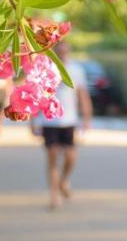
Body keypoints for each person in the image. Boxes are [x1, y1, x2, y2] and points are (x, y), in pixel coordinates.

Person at [31, 40, 92, 209]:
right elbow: (36, 95)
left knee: (71, 156)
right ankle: (54, 196)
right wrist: (33, 120)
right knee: (52, 157)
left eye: (65, 51)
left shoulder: (76, 70)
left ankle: (63, 180)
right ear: (55, 52)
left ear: (69, 51)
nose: (63, 54)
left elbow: (82, 95)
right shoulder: (45, 69)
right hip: (49, 121)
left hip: (69, 120)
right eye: (60, 52)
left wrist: (86, 118)